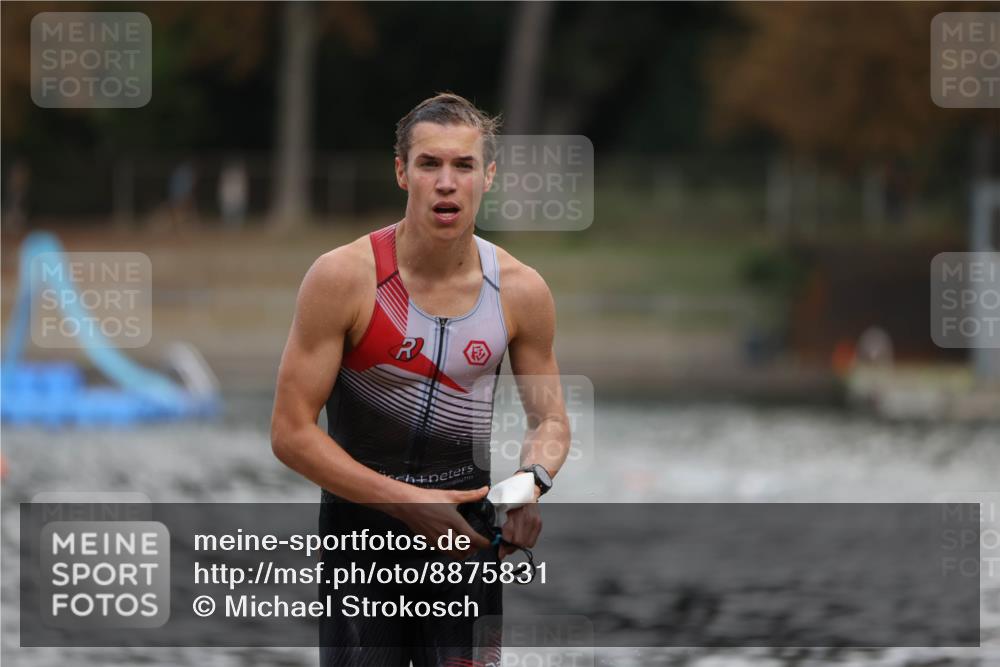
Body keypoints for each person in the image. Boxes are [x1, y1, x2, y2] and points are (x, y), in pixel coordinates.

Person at [270, 92, 571, 666]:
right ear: (402, 172)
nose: (447, 182)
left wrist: (529, 485)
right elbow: (290, 432)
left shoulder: (522, 290)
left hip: (467, 543)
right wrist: (408, 504)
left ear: (489, 176)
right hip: (361, 545)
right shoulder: (343, 278)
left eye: (463, 165)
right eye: (430, 164)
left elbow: (551, 420)